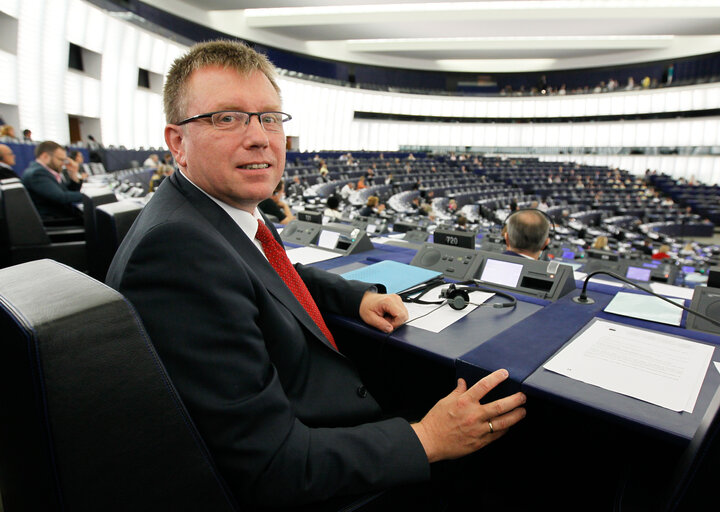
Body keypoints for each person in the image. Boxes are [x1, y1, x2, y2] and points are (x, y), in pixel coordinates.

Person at [106, 40, 526, 510]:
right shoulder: (177, 254)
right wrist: (427, 439)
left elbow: (268, 275)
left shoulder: (212, 214)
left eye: (269, 117)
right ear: (177, 142)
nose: (259, 137)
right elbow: (272, 467)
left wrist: (354, 298)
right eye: (227, 117)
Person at [21, 140, 83, 220]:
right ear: (45, 156)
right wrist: (90, 195)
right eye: (61, 160)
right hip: (55, 221)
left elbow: (65, 191)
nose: (63, 163)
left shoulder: (44, 171)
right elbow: (61, 197)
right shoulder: (37, 173)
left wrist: (73, 173)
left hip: (59, 216)